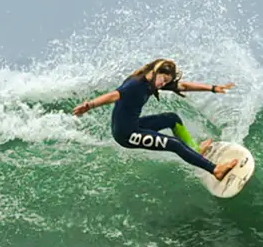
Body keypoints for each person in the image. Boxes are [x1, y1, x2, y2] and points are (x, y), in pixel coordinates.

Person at [72, 58, 239, 181]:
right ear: (156, 71)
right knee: (174, 144)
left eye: (166, 81)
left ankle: (195, 149)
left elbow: (184, 86)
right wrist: (90, 105)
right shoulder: (135, 84)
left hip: (134, 125)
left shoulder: (152, 81)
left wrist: (214, 88)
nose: (163, 84)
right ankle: (215, 170)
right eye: (163, 79)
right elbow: (114, 95)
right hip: (126, 134)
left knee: (172, 119)